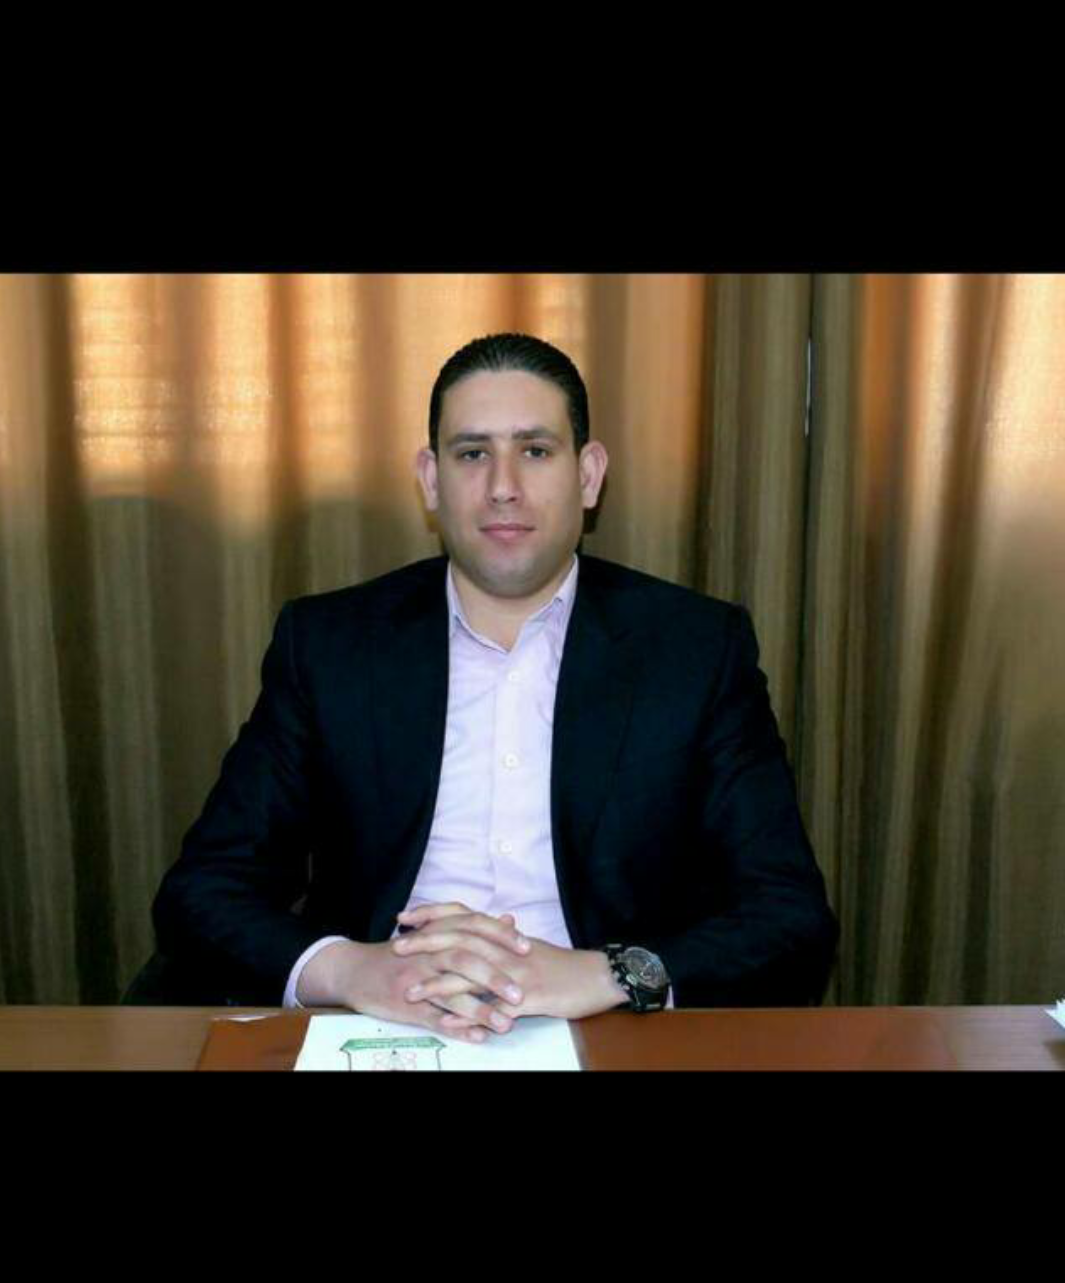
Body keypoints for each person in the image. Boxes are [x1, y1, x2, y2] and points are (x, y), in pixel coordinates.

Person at [151, 333, 837, 1040]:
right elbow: (204, 891)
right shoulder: (330, 646)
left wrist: (609, 975)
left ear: (589, 475)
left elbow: (788, 916)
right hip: (376, 1026)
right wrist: (350, 970)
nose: (503, 485)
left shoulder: (694, 649)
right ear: (430, 479)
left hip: (608, 1029)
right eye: (472, 453)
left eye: (535, 451)